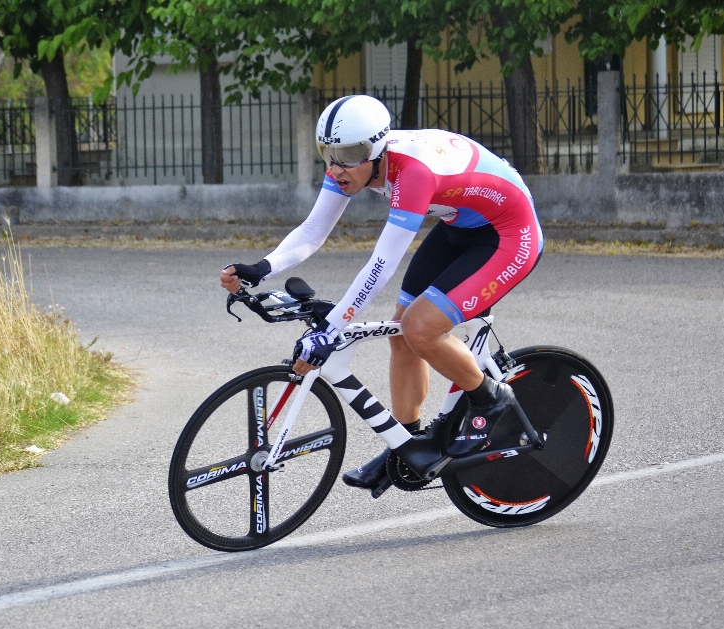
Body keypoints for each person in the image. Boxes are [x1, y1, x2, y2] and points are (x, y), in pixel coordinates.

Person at [220, 95, 543, 490]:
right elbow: (312, 231)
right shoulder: (348, 165)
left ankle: (493, 399)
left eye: (350, 154)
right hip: (460, 225)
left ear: (376, 149)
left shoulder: (413, 173)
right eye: (328, 153)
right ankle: (406, 447)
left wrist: (334, 327)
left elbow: (383, 262)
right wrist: (262, 268)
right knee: (401, 335)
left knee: (420, 327)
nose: (337, 167)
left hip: (510, 233)